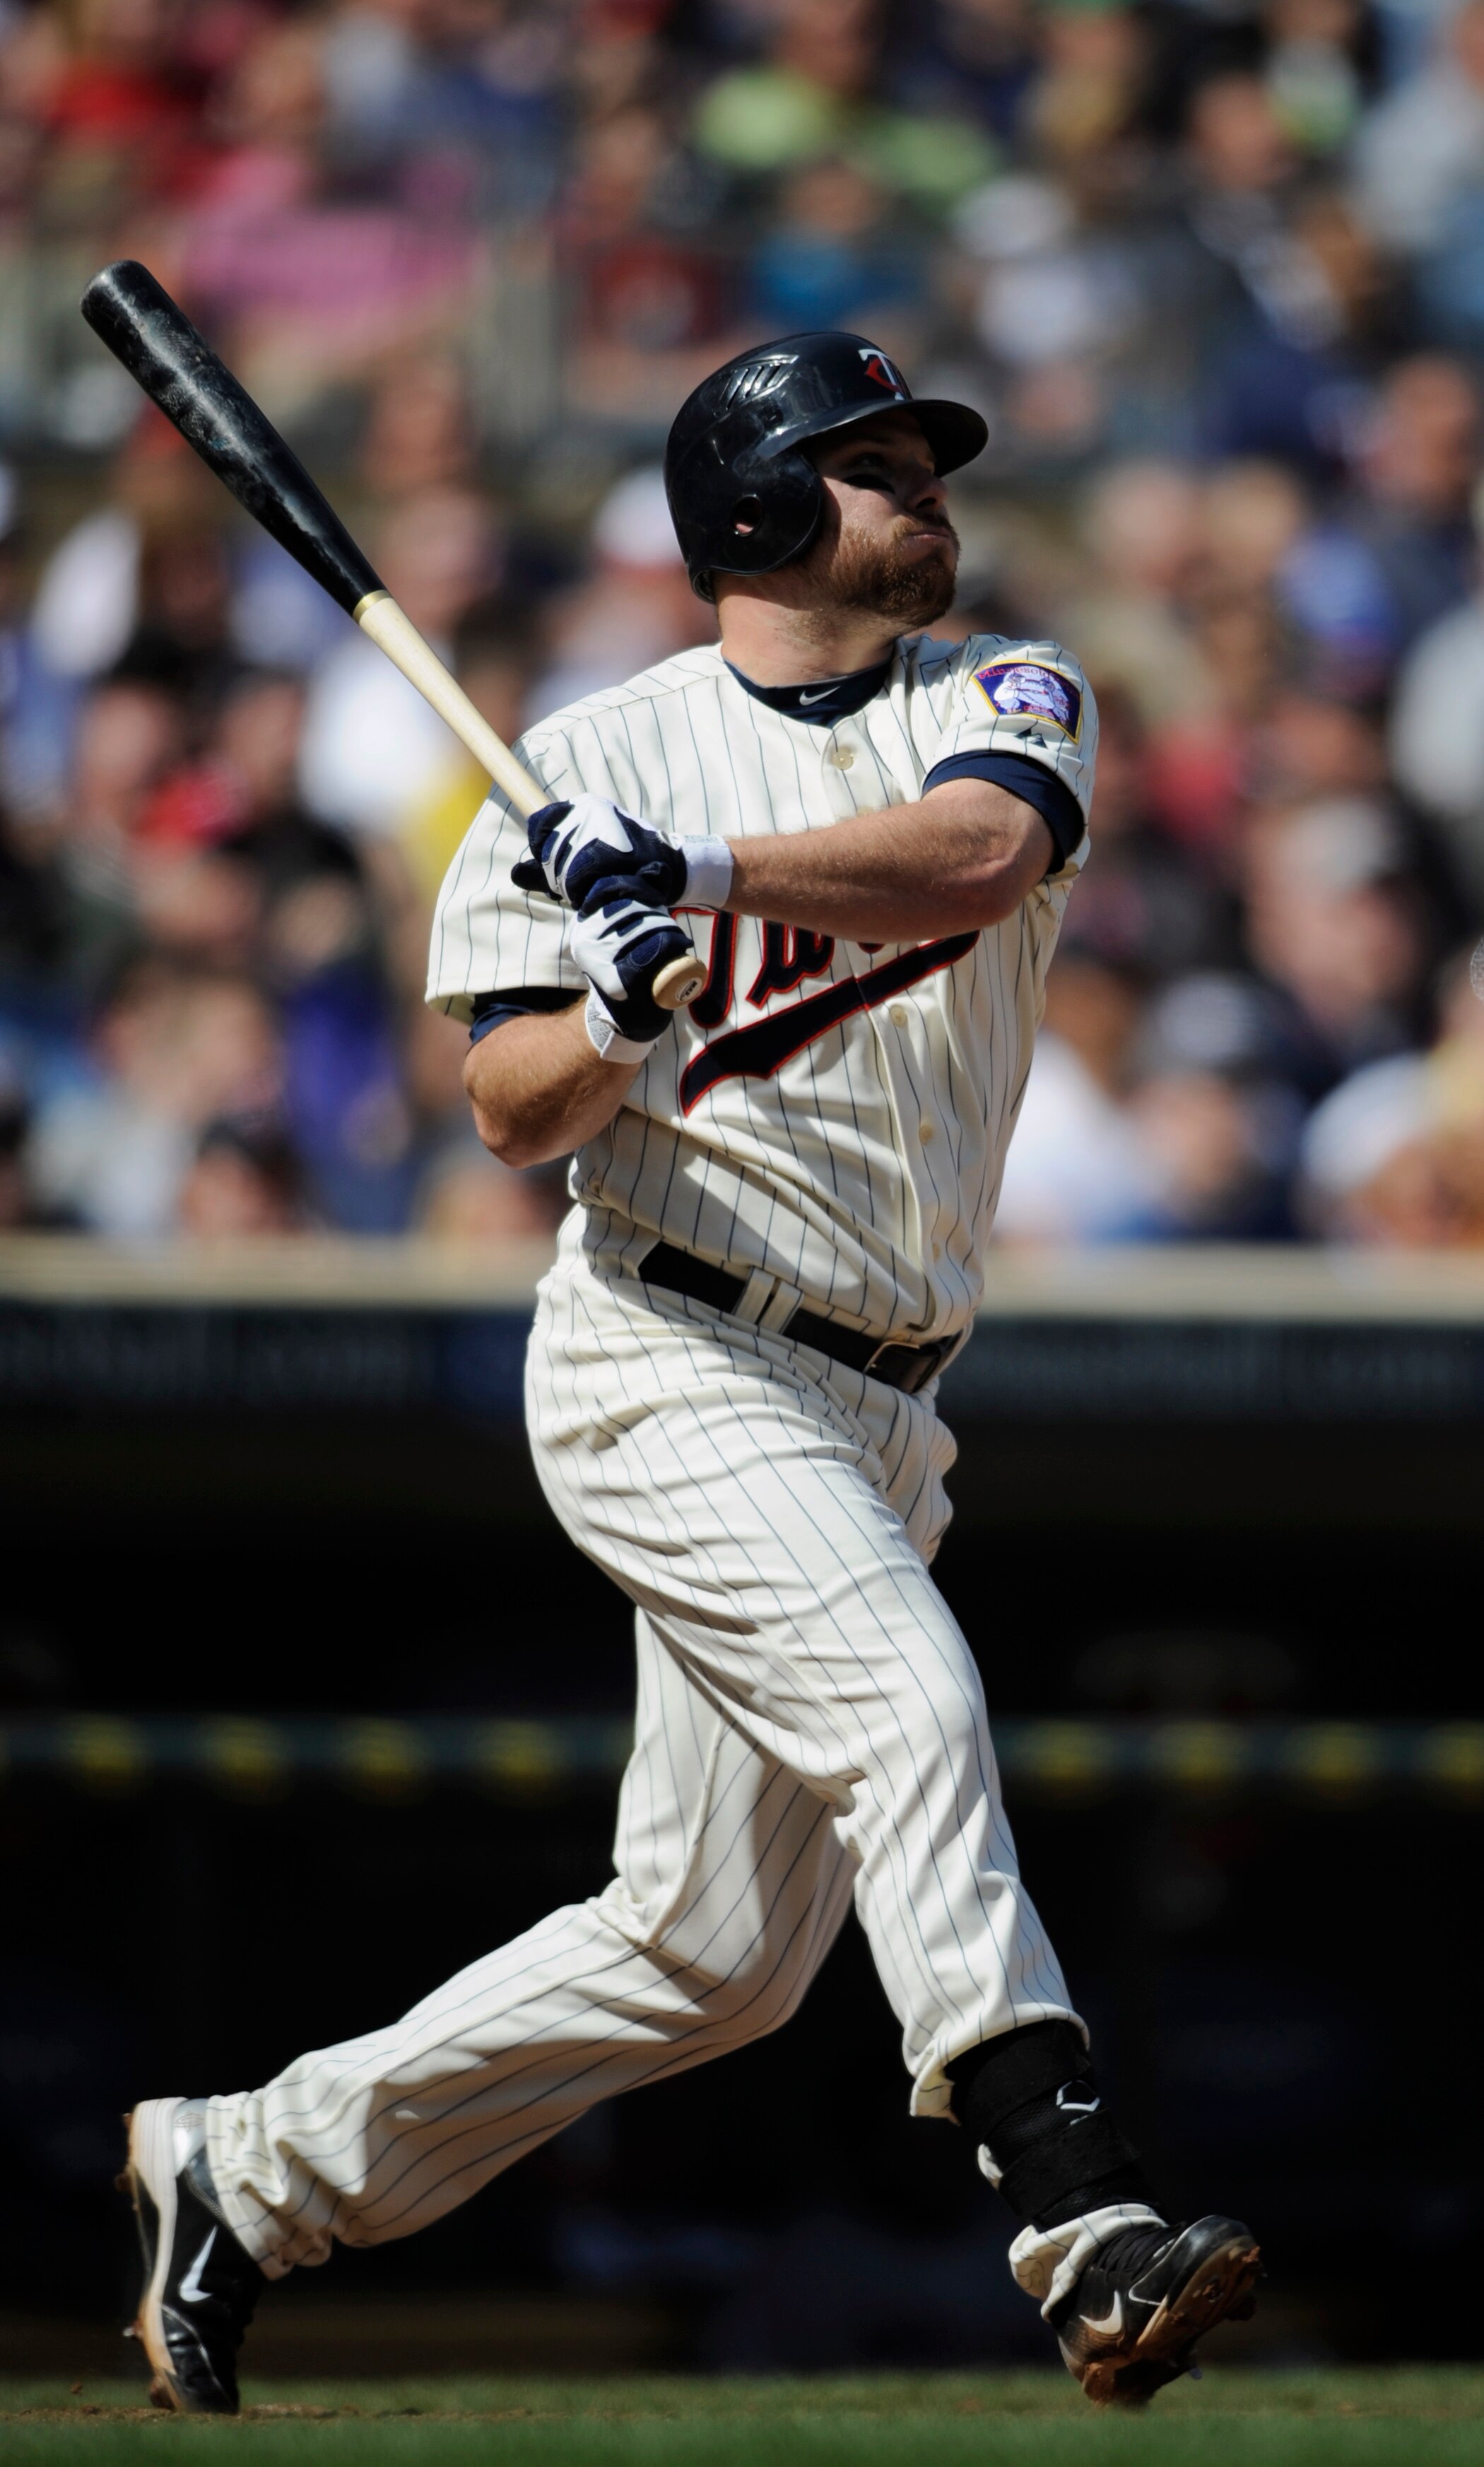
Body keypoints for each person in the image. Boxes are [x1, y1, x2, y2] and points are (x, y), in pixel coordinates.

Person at [122, 332, 1260, 2415]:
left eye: (924, 460)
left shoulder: (1003, 693)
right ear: (749, 512)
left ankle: (246, 2165)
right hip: (670, 1345)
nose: (924, 492)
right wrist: (621, 1010)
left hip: (887, 1391)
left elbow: (974, 857)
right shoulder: (579, 760)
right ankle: (1080, 2208)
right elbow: (506, 1106)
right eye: (873, 464)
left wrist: (704, 884)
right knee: (914, 1692)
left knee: (711, 1957)